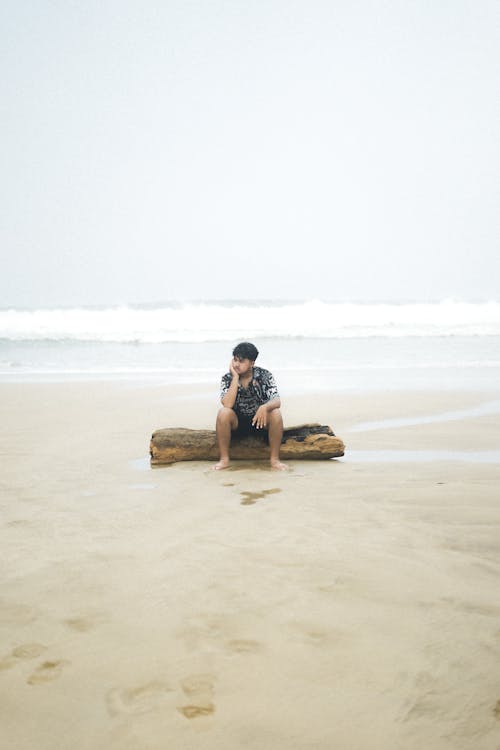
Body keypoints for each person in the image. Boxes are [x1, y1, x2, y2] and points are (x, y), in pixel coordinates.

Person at [214, 342, 287, 471]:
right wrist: (235, 378)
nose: (236, 364)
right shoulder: (228, 378)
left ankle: (274, 460)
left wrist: (264, 407)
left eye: (241, 361)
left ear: (252, 363)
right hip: (237, 423)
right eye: (235, 360)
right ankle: (224, 460)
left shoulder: (264, 375)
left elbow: (276, 400)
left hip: (260, 422)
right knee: (223, 413)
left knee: (276, 413)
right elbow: (227, 404)